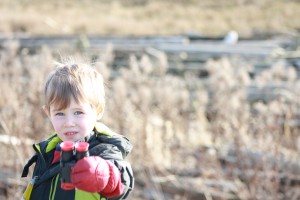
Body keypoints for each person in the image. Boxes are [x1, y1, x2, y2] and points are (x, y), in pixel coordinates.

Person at [21, 59, 134, 200]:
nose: (69, 123)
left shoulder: (104, 151)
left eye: (78, 112)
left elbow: (122, 182)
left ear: (98, 110)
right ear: (48, 114)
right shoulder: (48, 153)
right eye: (60, 114)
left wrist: (104, 174)